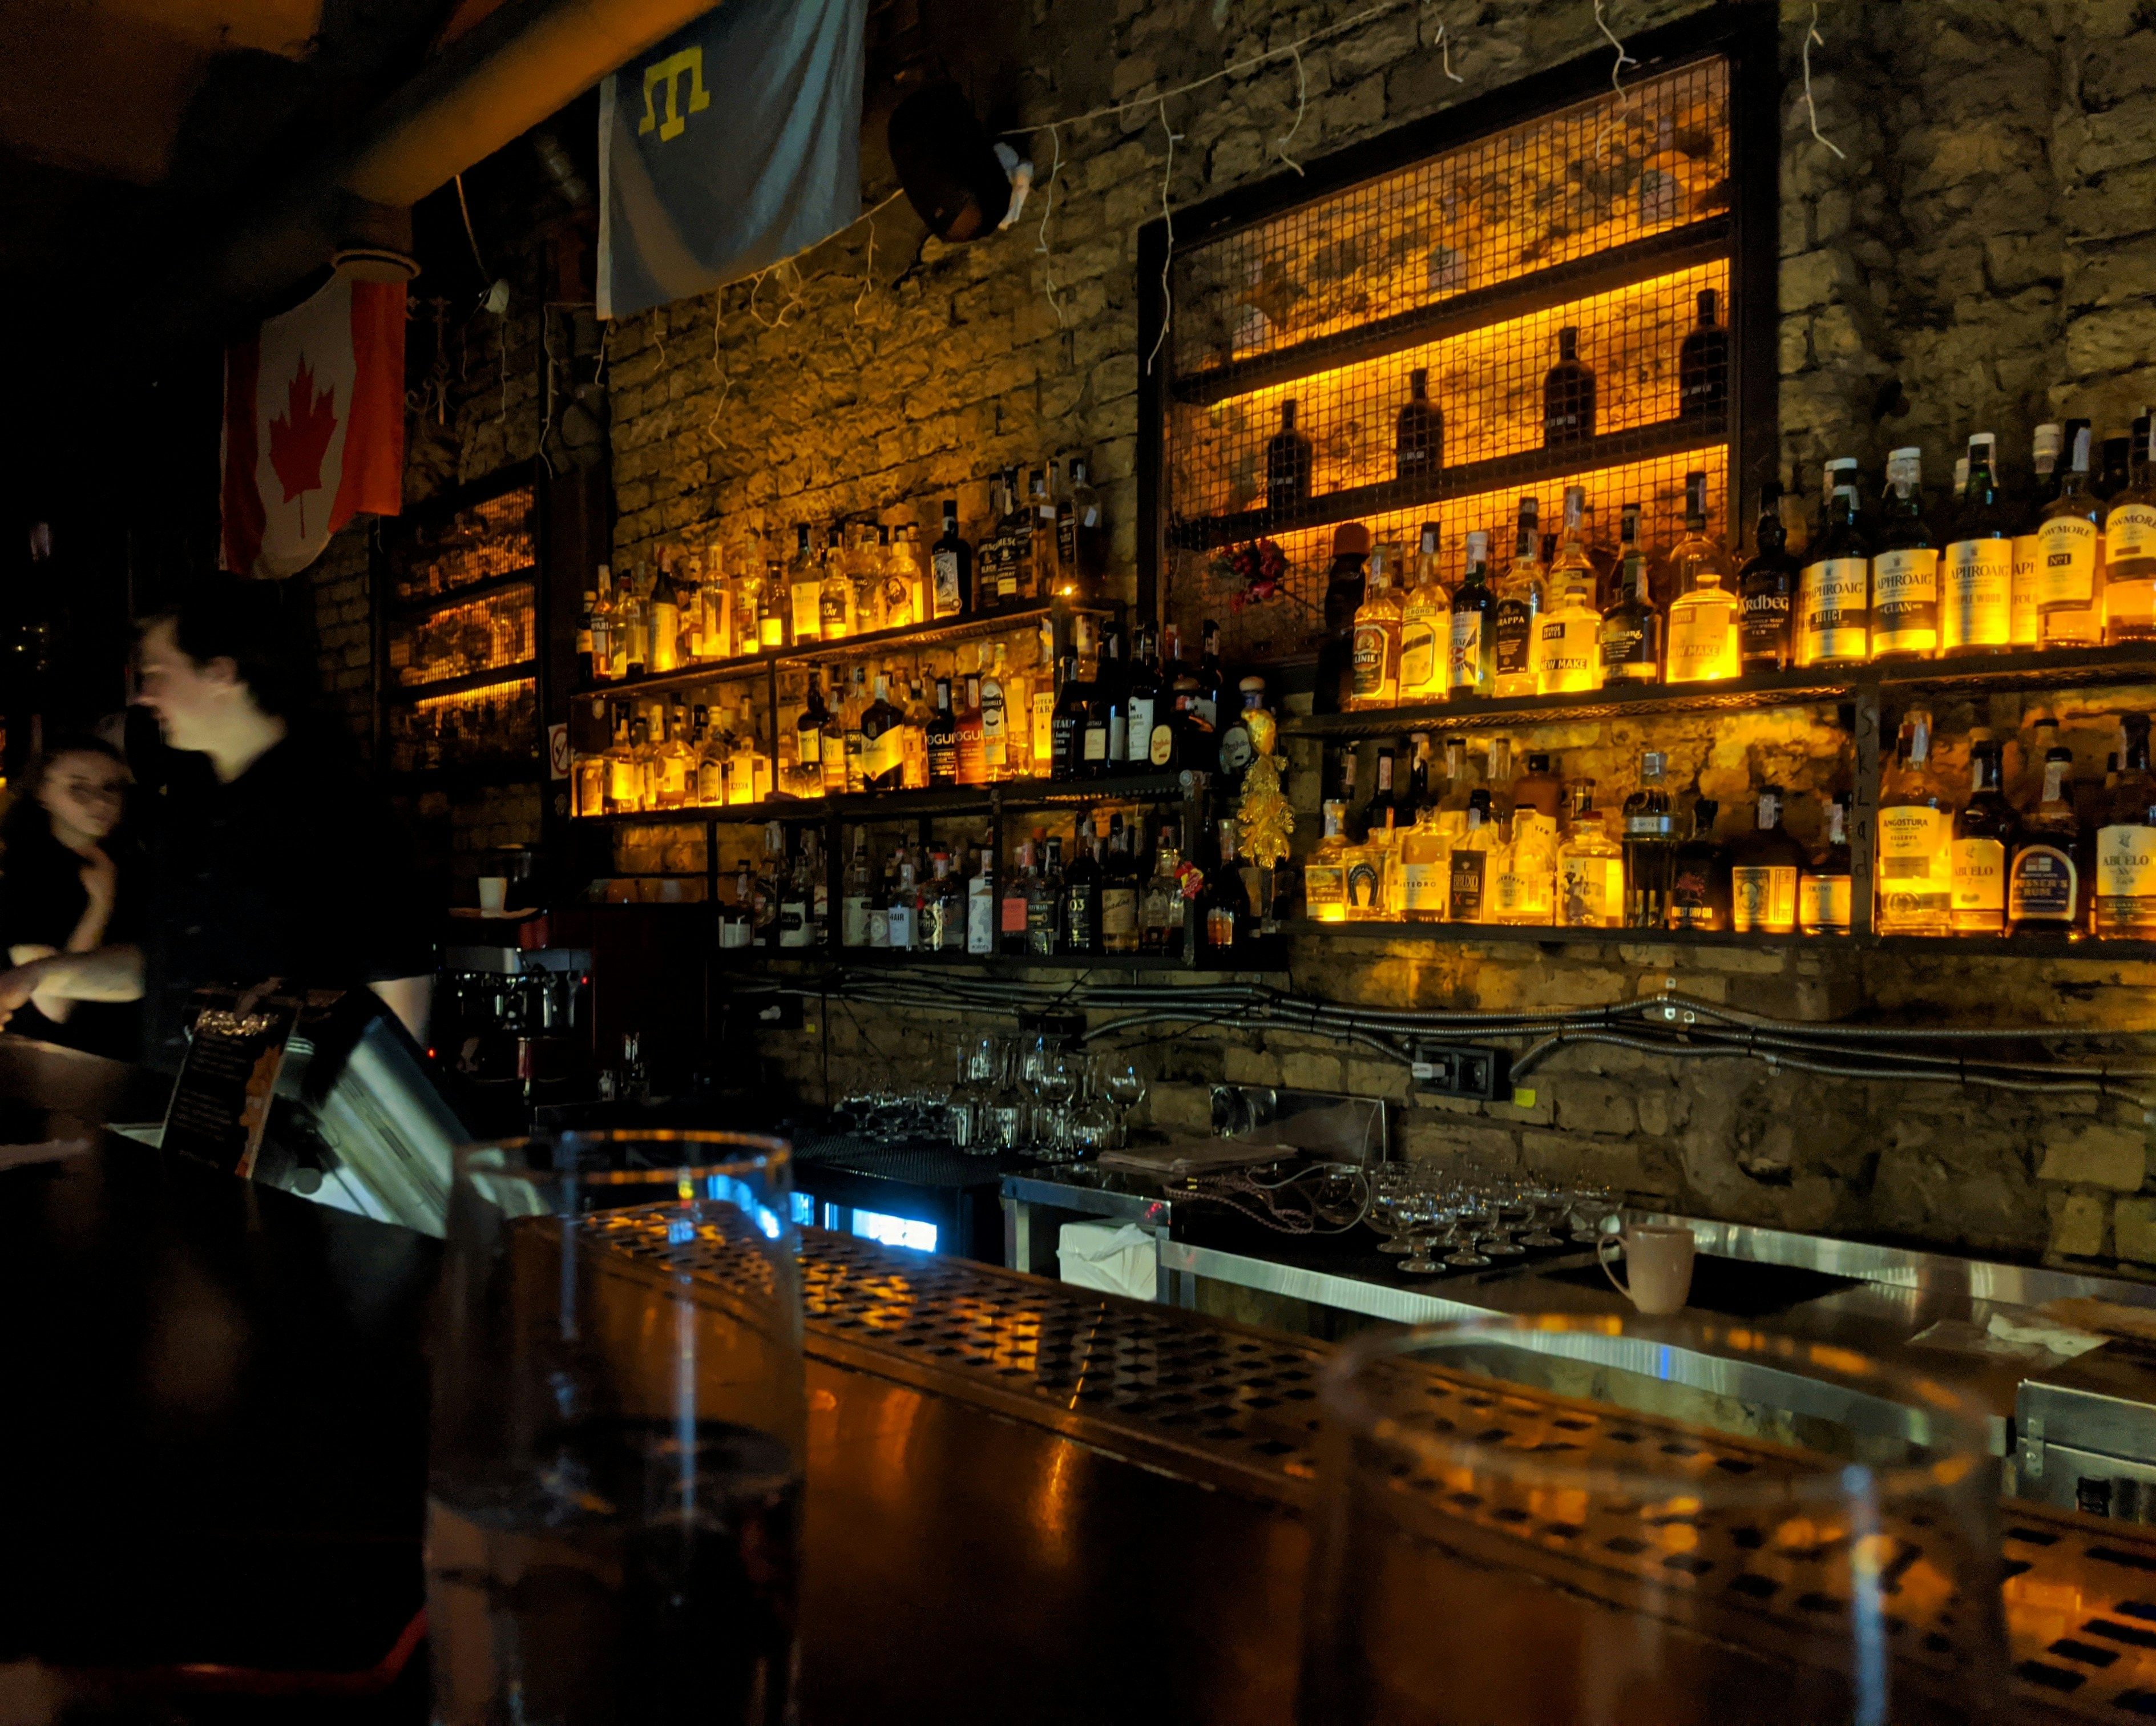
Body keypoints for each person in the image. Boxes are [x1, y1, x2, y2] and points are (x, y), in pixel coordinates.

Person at [0, 578, 434, 1066]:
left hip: (289, 1128)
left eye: (158, 674)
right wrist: (37, 976)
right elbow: (164, 968)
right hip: (190, 1118)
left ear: (220, 674)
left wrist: (369, 1130)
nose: (145, 697)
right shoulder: (189, 817)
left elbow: (399, 992)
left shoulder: (338, 811)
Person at [0, 734, 142, 1059]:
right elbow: (53, 1005)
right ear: (42, 793)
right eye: (78, 787)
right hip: (60, 1060)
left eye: (111, 788)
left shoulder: (136, 863)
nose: (100, 802)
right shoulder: (23, 875)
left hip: (133, 1053)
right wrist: (100, 907)